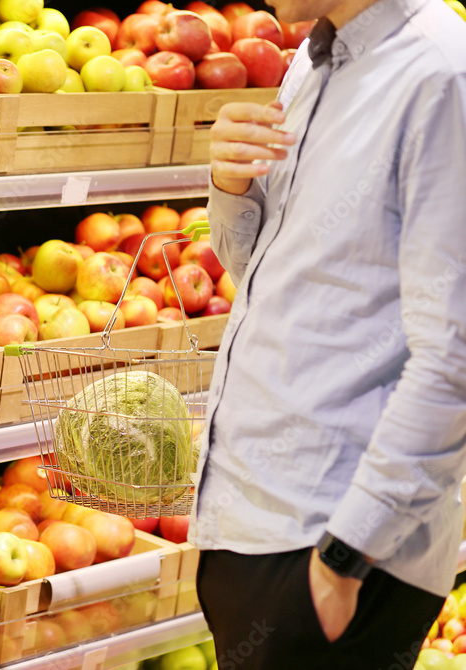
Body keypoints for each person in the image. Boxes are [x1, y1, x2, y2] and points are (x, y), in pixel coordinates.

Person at [189, 0, 466, 665]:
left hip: (334, 543)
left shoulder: (440, 75)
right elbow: (257, 271)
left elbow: (454, 352)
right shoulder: (314, 63)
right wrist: (231, 185)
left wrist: (345, 556)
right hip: (252, 519)